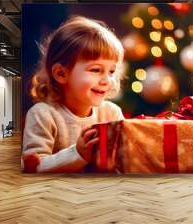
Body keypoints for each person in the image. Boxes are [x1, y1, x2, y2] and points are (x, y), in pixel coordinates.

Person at [22, 16, 125, 173]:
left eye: (111, 71)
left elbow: (123, 159)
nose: (107, 80)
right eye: (96, 70)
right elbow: (33, 166)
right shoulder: (42, 115)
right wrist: (77, 153)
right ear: (61, 74)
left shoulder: (111, 113)